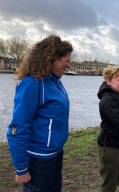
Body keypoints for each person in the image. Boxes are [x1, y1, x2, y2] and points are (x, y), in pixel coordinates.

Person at [7, 35, 73, 192]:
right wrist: (21, 169)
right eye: (66, 59)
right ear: (50, 59)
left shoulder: (56, 81)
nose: (68, 64)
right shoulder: (32, 83)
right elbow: (17, 127)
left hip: (55, 154)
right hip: (39, 160)